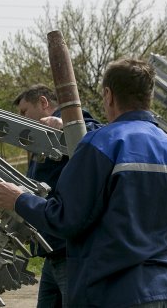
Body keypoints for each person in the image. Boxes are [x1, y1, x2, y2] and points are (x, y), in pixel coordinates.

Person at [0, 59, 167, 308]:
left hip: (110, 293)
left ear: (108, 95)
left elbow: (67, 218)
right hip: (164, 292)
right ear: (149, 95)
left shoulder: (102, 144)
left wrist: (19, 199)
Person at [13, 84, 101, 308]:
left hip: (70, 250)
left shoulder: (72, 123)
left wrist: (65, 125)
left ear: (43, 103)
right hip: (52, 248)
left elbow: (99, 134)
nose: (22, 118)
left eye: (24, 112)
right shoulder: (40, 139)